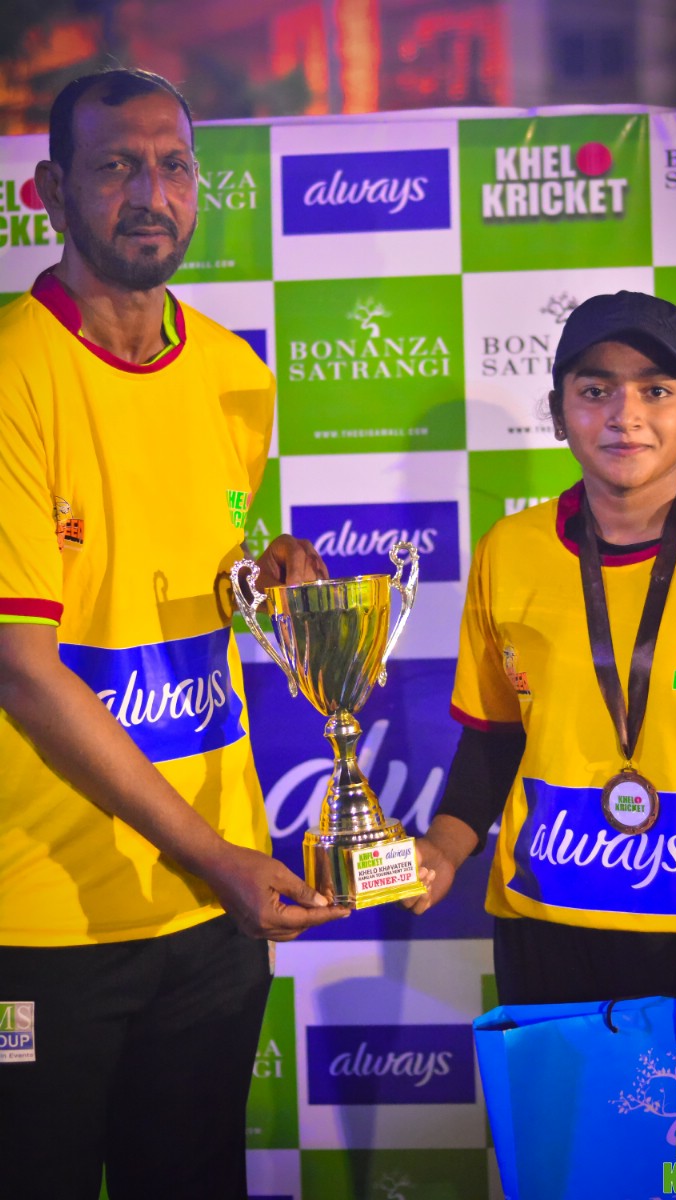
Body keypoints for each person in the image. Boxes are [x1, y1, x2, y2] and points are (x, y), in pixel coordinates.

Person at [0, 68, 350, 1200]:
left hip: (209, 910)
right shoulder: (12, 371)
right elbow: (21, 669)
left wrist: (262, 578)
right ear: (51, 190)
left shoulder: (236, 374)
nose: (149, 193)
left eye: (173, 165)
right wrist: (218, 858)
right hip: (43, 915)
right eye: (115, 166)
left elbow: (189, 563)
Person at [409, 290, 676, 1055]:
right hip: (546, 937)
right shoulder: (509, 549)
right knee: (562, 1138)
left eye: (656, 390)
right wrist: (443, 850)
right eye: (595, 390)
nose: (625, 415)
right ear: (559, 413)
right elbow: (495, 740)